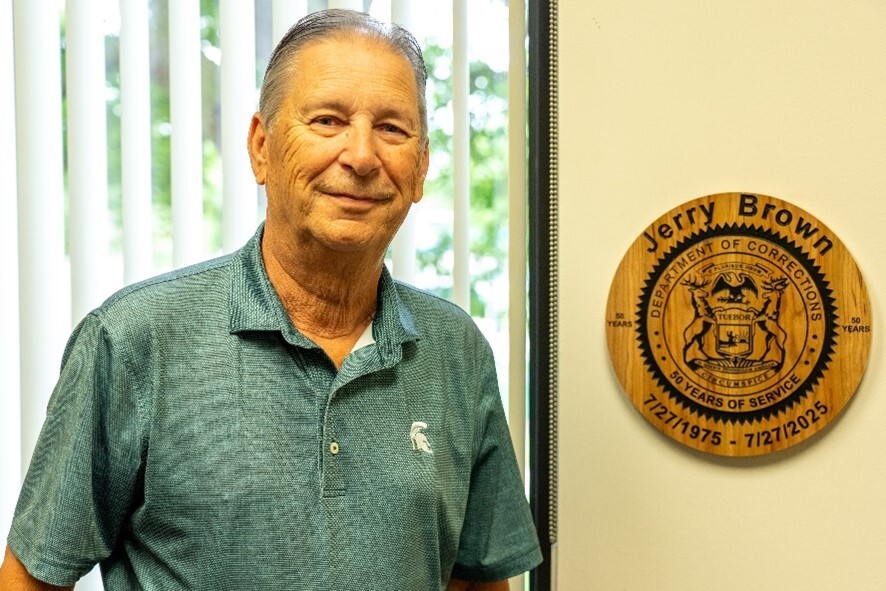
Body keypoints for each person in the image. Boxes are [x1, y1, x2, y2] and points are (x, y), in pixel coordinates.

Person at [0, 9, 542, 591]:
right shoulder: (133, 338)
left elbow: (478, 580)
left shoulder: (455, 351)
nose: (361, 156)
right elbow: (33, 578)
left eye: (392, 128)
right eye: (328, 121)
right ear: (261, 147)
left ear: (421, 167)